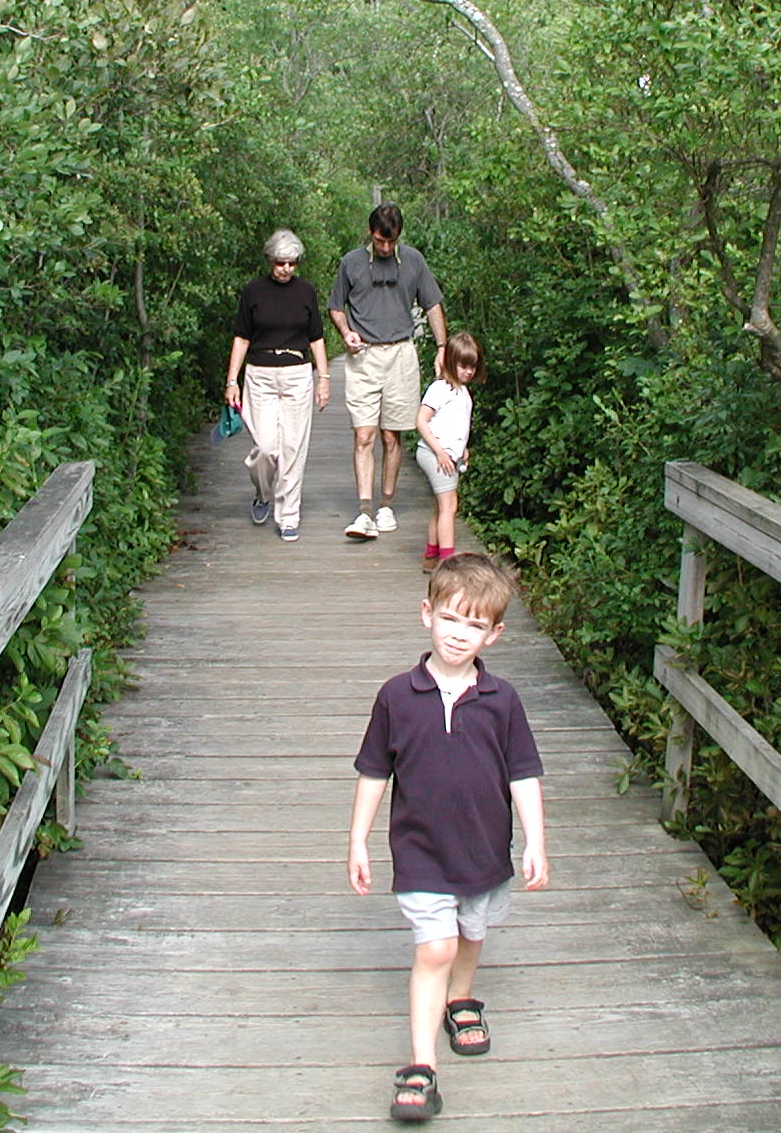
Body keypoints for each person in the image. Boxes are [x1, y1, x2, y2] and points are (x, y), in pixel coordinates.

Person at [348, 555, 549, 1123]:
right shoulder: (396, 696)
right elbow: (373, 772)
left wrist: (535, 841)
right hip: (420, 851)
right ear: (427, 614)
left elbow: (523, 774)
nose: (459, 634)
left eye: (475, 625)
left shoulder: (502, 700)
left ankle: (461, 999)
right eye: (450, 619)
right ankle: (422, 1066)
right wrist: (358, 839)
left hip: (484, 847)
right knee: (435, 947)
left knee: (471, 932)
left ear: (494, 634)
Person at [328, 203, 446, 541]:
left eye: (391, 241)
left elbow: (433, 305)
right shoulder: (351, 262)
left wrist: (442, 347)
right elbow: (336, 306)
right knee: (363, 435)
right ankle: (364, 511)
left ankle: (386, 505)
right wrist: (345, 331)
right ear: (370, 233)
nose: (385, 247)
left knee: (391, 436)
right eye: (380, 240)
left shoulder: (413, 261)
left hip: (400, 354)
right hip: (363, 356)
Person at [223, 229, 330, 540]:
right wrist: (232, 380)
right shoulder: (253, 292)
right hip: (260, 375)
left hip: (297, 373)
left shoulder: (306, 292)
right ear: (270, 260)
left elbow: (316, 338)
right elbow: (241, 337)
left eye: (292, 263)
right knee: (266, 448)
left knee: (293, 448)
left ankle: (288, 516)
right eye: (281, 263)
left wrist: (324, 379)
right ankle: (263, 492)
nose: (286, 269)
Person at [414, 332, 481, 574]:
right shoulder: (441, 388)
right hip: (434, 453)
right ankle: (448, 563)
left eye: (472, 366)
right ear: (451, 362)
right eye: (464, 366)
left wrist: (463, 449)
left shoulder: (462, 391)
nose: (469, 372)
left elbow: (456, 425)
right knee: (449, 505)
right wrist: (440, 452)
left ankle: (432, 555)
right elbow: (421, 420)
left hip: (450, 454)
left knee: (441, 506)